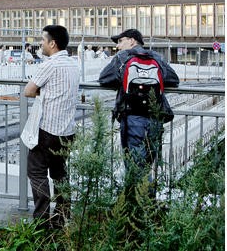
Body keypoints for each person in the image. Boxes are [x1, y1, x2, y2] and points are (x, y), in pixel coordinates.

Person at [98, 29, 179, 199]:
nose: (118, 46)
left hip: (133, 117)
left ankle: (140, 210)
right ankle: (144, 207)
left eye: (120, 41)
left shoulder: (123, 57)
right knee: (147, 163)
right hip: (155, 118)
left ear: (132, 41)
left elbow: (104, 78)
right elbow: (173, 79)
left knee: (135, 165)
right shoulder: (156, 57)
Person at [24, 25, 79, 228]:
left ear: (52, 44)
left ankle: (42, 221)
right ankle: (62, 217)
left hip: (47, 130)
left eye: (43, 40)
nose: (41, 44)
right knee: (60, 174)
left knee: (37, 172)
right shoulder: (74, 63)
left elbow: (28, 91)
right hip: (67, 130)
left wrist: (44, 94)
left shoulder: (50, 64)